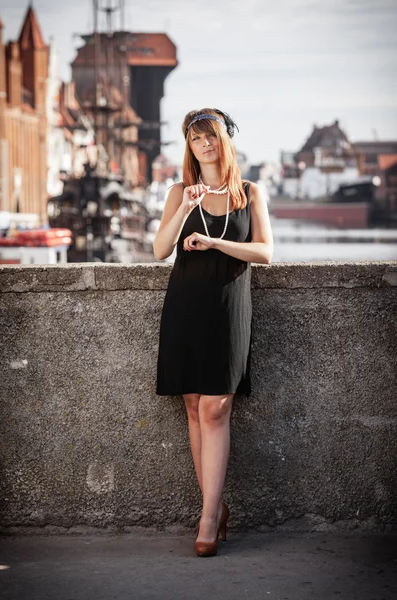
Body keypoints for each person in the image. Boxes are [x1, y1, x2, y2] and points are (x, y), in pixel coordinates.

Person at [153, 108, 273, 557]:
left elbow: (264, 252)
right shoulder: (179, 192)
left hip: (227, 308)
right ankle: (215, 508)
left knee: (215, 409)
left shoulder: (249, 192)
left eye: (212, 136)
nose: (205, 144)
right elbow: (159, 250)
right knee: (191, 405)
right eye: (195, 138)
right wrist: (185, 207)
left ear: (226, 140)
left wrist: (217, 242)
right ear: (189, 146)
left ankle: (207, 518)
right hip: (184, 306)